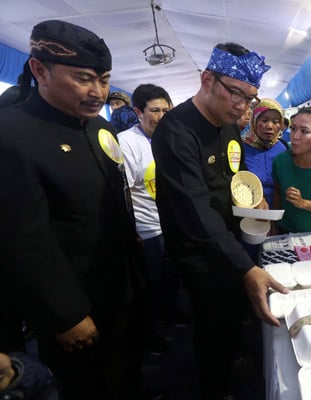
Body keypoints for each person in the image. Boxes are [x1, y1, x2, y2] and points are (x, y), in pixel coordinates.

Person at [0, 20, 145, 399]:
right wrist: (64, 313)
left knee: (126, 371)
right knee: (86, 385)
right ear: (39, 70)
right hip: (73, 302)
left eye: (105, 79)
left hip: (121, 284)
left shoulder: (101, 128)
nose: (98, 92)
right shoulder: (11, 133)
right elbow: (22, 238)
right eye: (83, 79)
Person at [151, 42, 287, 399]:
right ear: (207, 79)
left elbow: (235, 170)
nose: (243, 107)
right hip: (198, 251)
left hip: (229, 239)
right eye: (236, 94)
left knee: (231, 317)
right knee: (210, 326)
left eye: (250, 98)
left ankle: (232, 364)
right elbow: (195, 211)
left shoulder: (227, 125)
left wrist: (254, 195)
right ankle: (215, 388)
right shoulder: (176, 131)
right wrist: (247, 267)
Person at [117, 83, 176, 355]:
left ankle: (170, 319)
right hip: (147, 231)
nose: (162, 116)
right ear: (138, 112)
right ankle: (150, 335)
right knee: (149, 287)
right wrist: (131, 232)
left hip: (172, 227)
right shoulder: (127, 142)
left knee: (170, 281)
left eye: (166, 109)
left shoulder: (171, 137)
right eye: (155, 110)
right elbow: (123, 191)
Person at [242, 98, 287, 207]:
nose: (270, 126)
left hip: (278, 215)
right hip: (248, 214)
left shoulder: (283, 149)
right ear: (254, 121)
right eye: (264, 120)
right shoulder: (242, 147)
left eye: (276, 122)